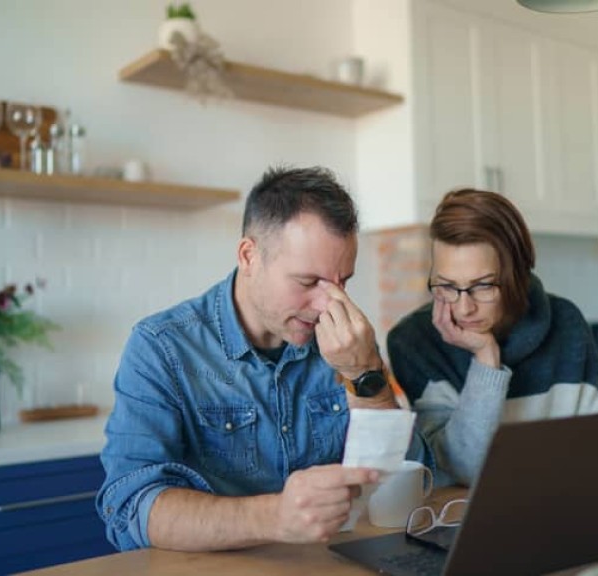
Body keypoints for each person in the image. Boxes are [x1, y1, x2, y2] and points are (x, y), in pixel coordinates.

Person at [97, 166, 429, 553]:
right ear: (249, 256)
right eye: (308, 282)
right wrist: (276, 516)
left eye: (342, 283)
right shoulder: (161, 347)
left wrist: (365, 375)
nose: (328, 304)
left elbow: (410, 481)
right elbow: (129, 507)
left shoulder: (346, 343)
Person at [387, 188, 598, 487]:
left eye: (483, 286)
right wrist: (486, 358)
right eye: (447, 286)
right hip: (465, 520)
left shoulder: (566, 322)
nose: (464, 308)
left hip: (565, 505)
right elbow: (466, 468)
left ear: (517, 276)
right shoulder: (413, 342)